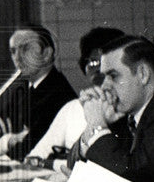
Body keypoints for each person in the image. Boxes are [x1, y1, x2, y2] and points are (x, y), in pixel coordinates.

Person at [72, 35, 154, 182]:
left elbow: (136, 175)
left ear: (143, 74)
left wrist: (98, 126)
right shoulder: (126, 113)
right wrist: (92, 128)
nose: (105, 85)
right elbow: (72, 166)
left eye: (113, 76)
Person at [25, 26, 124, 166]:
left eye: (103, 62)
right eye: (92, 62)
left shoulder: (126, 110)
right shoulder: (72, 109)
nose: (98, 70)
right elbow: (33, 159)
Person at [0, 24, 77, 160]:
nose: (17, 57)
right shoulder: (22, 89)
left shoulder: (59, 94)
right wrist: (10, 140)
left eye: (25, 49)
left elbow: (26, 151)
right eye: (13, 51)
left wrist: (3, 141)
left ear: (46, 54)